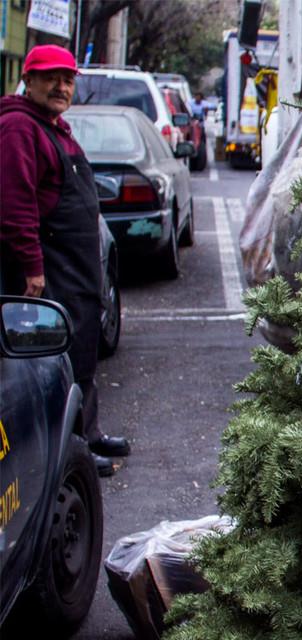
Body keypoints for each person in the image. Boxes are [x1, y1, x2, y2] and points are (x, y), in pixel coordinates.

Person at [1, 44, 131, 473]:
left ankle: (86, 435)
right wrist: (33, 269)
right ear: (29, 80)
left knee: (81, 352)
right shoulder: (19, 128)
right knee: (54, 363)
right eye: (50, 77)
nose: (61, 86)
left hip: (77, 271)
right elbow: (15, 205)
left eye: (68, 79)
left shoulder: (55, 127)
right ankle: (69, 451)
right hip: (51, 270)